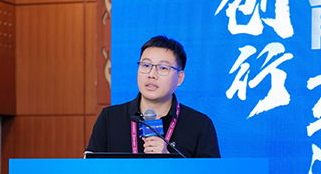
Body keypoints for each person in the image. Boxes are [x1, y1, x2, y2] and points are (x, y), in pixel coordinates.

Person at [85, 35, 220, 158]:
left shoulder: (200, 125)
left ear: (179, 78)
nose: (151, 74)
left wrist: (169, 159)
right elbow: (91, 169)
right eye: (146, 65)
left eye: (163, 68)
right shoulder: (109, 118)